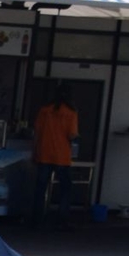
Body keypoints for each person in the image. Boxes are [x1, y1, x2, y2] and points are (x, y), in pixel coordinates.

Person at [30, 87, 77, 228]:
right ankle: (62, 219)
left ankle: (37, 219)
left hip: (44, 153)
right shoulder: (71, 112)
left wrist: (35, 151)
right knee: (65, 188)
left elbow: (37, 131)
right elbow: (72, 134)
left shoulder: (44, 110)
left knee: (41, 188)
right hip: (62, 155)